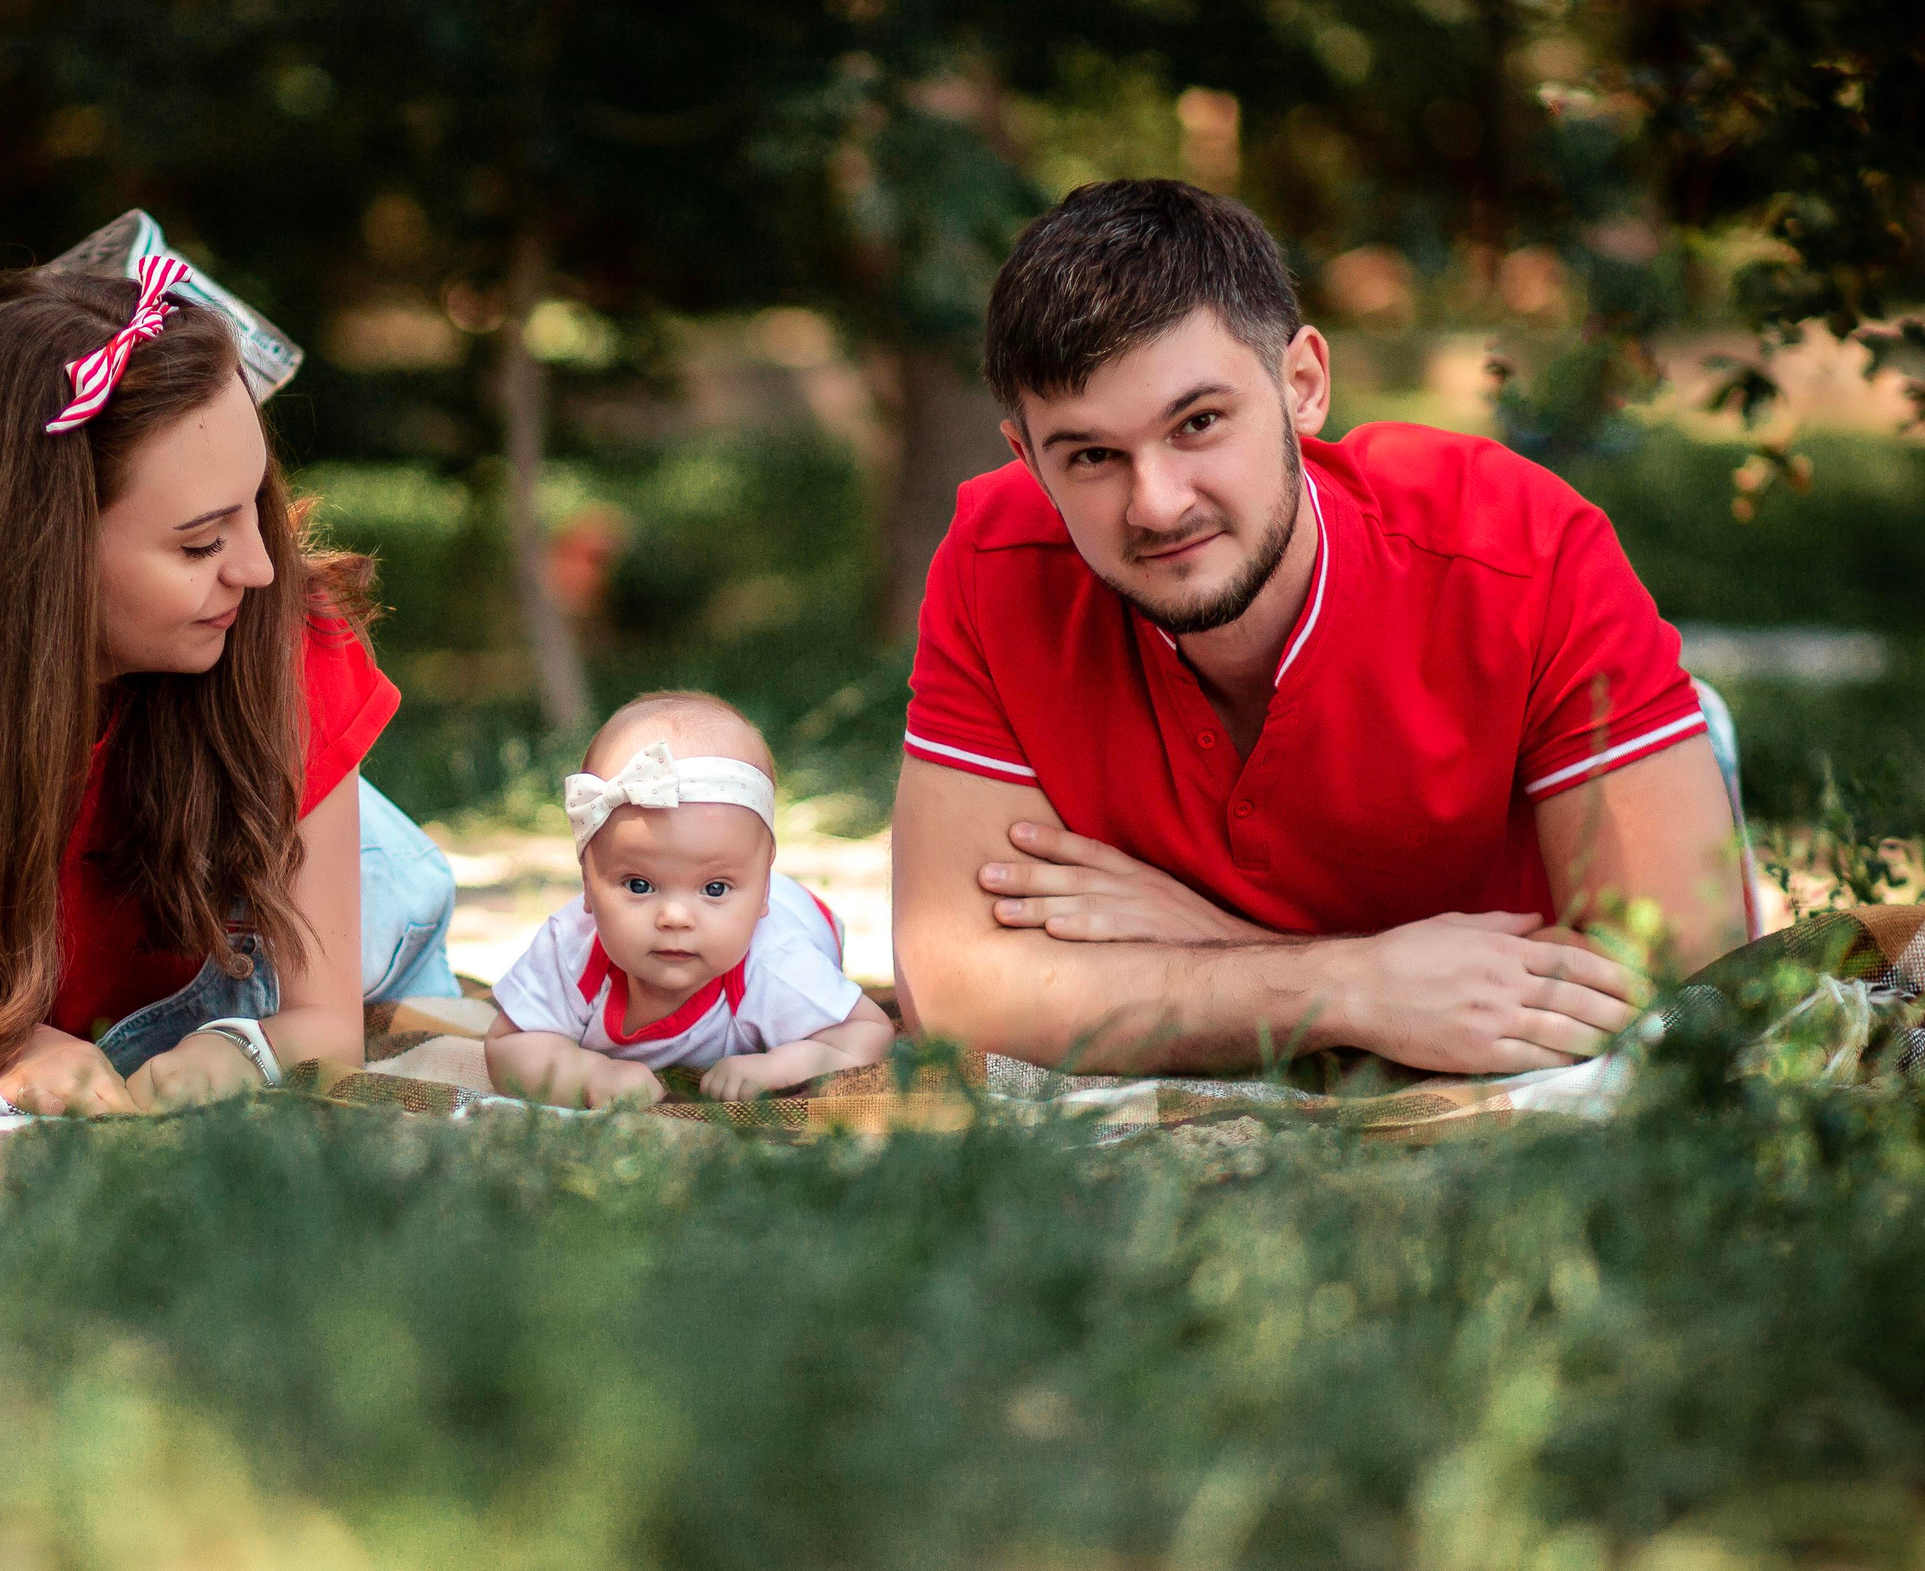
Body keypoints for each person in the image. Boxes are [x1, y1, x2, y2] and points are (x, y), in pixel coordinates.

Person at [892, 179, 1748, 1075]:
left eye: (1199, 422)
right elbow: (957, 995)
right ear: (1028, 457)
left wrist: (1207, 943)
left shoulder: (1520, 547)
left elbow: (1689, 983)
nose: (1157, 503)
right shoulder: (996, 557)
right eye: (1093, 455)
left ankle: (1693, 734)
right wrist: (1352, 985)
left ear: (1302, 386)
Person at [0, 257, 458, 1115]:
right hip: (47, 994)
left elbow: (322, 1023)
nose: (258, 565)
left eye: (259, 508)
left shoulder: (266, 620)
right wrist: (5, 1044)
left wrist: (237, 1051)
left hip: (348, 917)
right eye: (201, 542)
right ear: (36, 554)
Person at [486, 693, 894, 1107]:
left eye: (714, 888)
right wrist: (591, 1075)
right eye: (639, 885)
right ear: (587, 885)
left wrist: (778, 1066)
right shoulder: (571, 948)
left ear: (764, 888)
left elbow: (866, 1032)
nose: (675, 917)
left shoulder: (777, 966)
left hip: (803, 915)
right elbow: (508, 1047)